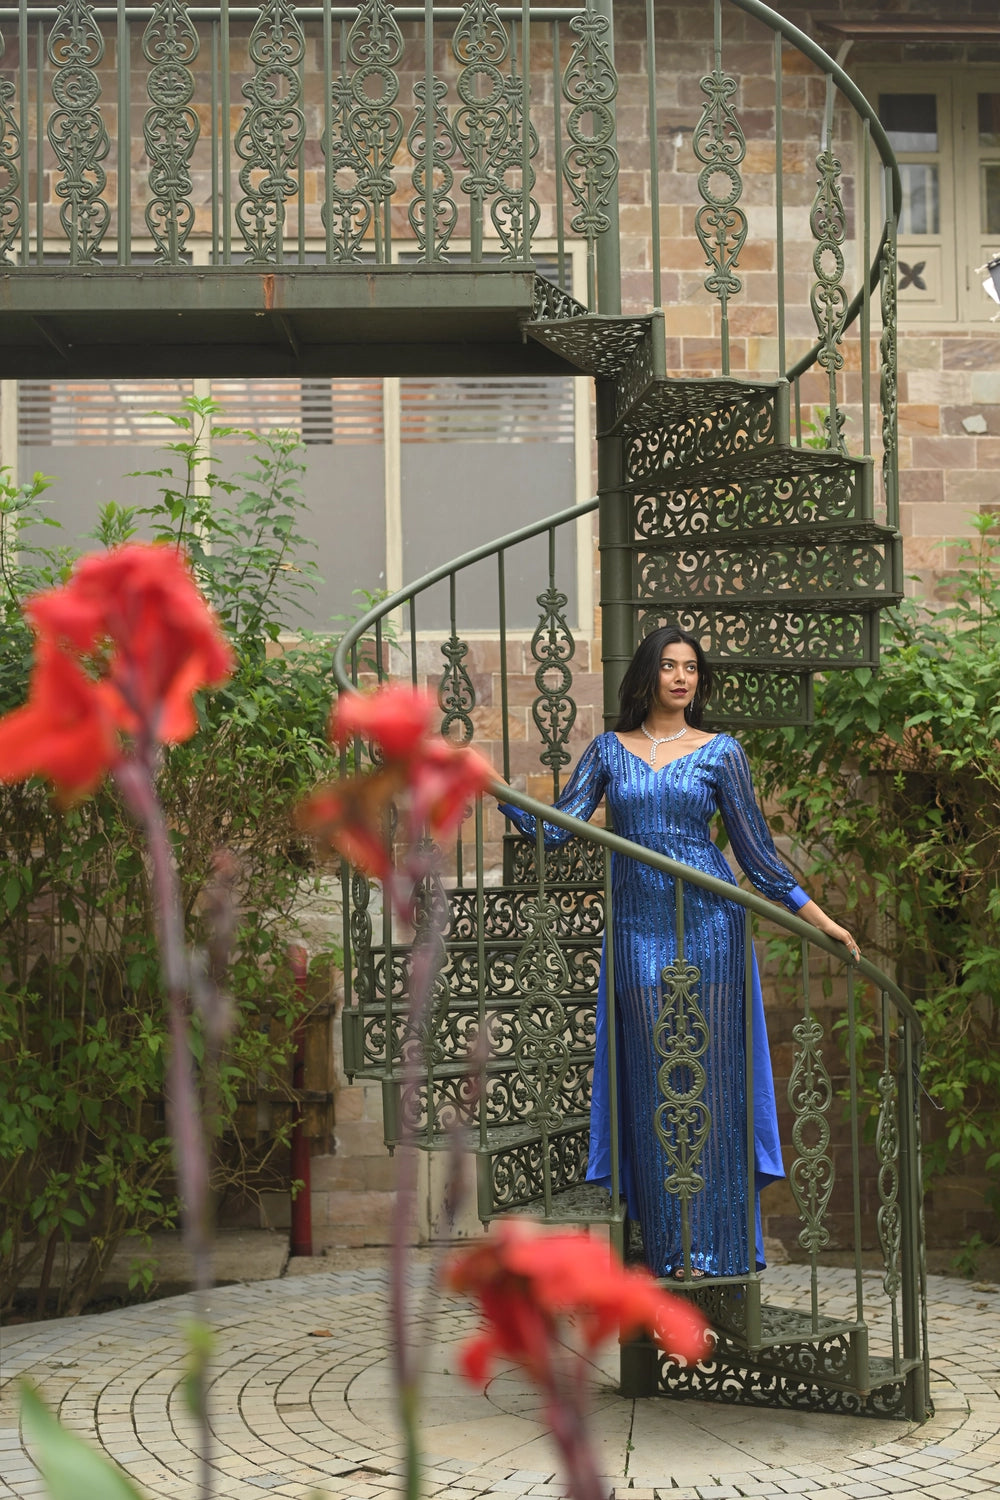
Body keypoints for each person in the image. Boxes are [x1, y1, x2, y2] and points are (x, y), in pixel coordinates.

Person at [497, 625, 858, 1280]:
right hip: (636, 925)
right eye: (668, 665)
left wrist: (820, 918)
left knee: (710, 1082)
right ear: (647, 675)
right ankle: (671, 1249)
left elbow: (757, 856)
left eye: (691, 667)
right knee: (651, 1077)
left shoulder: (721, 753)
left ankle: (716, 1246)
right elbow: (555, 830)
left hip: (711, 924)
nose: (681, 677)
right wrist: (488, 784)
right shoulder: (609, 751)